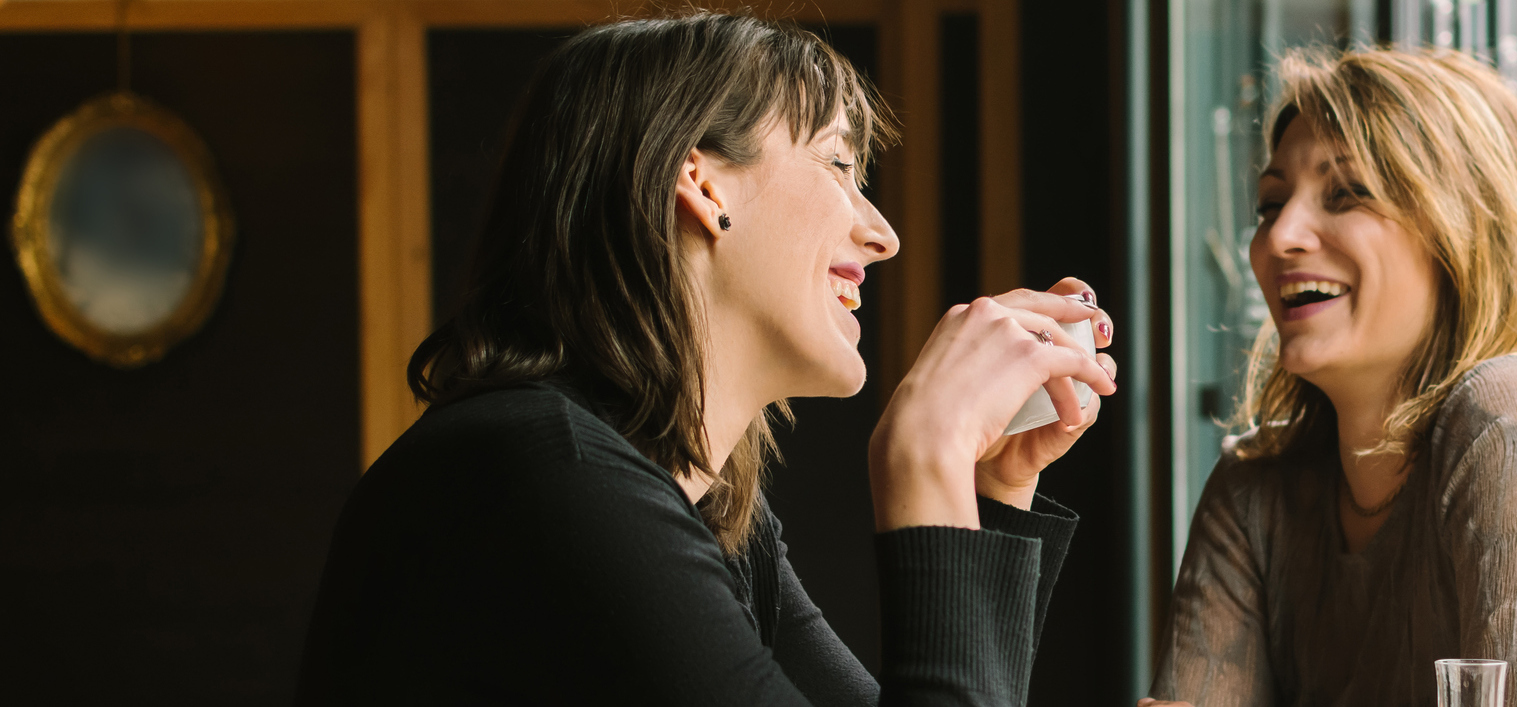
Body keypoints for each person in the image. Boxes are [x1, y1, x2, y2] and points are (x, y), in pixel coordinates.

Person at [294, 12, 1117, 706]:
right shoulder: (542, 475)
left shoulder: (702, 506)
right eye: (837, 163)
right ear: (701, 182)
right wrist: (923, 456)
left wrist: (990, 492)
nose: (882, 233)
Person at [1146, 47, 1517, 707]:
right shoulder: (1254, 486)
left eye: (1346, 194)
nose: (1280, 235)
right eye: (1269, 202)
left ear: (1466, 229)